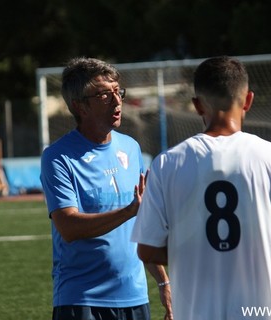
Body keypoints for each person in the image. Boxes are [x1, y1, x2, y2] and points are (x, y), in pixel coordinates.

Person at [131, 56, 271, 319]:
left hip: (196, 310)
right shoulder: (268, 156)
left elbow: (147, 249)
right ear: (249, 100)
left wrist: (198, 251)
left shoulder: (167, 163)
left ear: (196, 105)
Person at [40, 57, 172, 320]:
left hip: (135, 297)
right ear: (80, 106)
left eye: (117, 91)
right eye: (104, 94)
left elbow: (142, 224)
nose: (117, 100)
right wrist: (128, 211)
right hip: (82, 299)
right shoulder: (58, 157)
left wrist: (163, 283)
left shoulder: (131, 148)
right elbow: (69, 227)